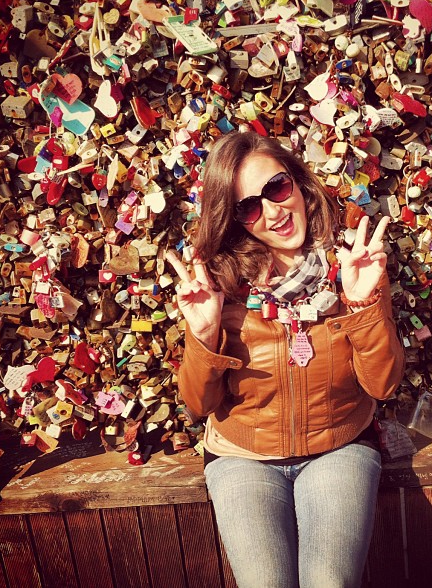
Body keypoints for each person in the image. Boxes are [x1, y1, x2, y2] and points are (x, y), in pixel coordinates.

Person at [166, 131, 405, 588]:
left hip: (338, 446)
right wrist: (203, 334)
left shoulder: (352, 265)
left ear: (296, 181)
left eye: (276, 189)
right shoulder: (220, 280)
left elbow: (383, 385)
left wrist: (361, 307)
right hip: (242, 457)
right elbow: (198, 405)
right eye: (249, 207)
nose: (272, 212)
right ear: (236, 221)